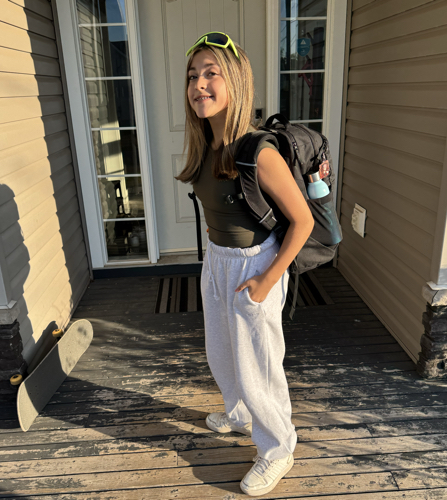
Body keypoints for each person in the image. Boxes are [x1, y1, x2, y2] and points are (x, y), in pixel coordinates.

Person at [176, 32, 314, 497]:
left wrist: (267, 280)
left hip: (254, 266)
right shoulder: (204, 145)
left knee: (259, 366)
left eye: (211, 73)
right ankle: (239, 415)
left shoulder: (258, 151)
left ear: (235, 82)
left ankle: (278, 447)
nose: (199, 85)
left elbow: (303, 222)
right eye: (192, 76)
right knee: (222, 353)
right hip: (217, 262)